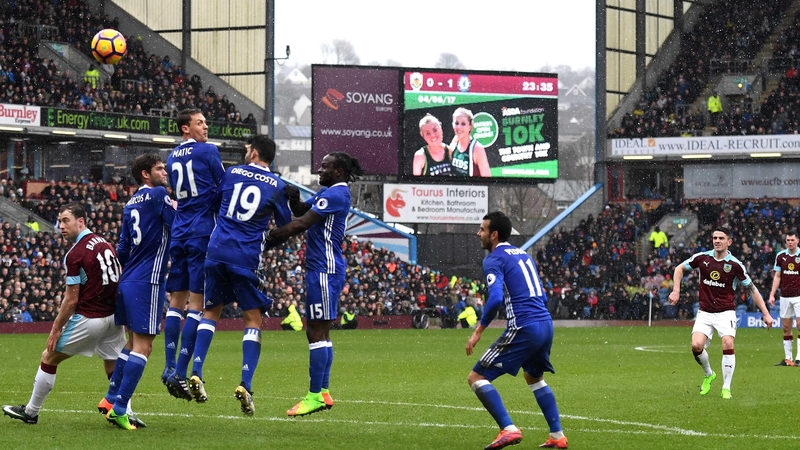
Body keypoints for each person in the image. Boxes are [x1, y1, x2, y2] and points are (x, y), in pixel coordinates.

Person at [186, 134, 291, 415]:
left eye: (247, 150)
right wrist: (265, 240)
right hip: (245, 256)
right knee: (252, 318)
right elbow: (285, 226)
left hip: (217, 250)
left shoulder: (232, 173)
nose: (245, 153)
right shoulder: (278, 185)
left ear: (254, 153)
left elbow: (216, 203)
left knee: (211, 312)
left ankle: (196, 370)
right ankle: (245, 382)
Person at [2, 203, 126, 425]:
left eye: (66, 220)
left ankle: (31, 412)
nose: (61, 226)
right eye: (59, 221)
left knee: (48, 357)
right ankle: (124, 411)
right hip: (114, 318)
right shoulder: (104, 243)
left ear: (81, 221)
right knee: (113, 364)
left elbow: (71, 300)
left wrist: (56, 328)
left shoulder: (75, 253)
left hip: (91, 318)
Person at [267, 151, 363, 416]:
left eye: (325, 167)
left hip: (324, 269)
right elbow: (302, 211)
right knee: (323, 332)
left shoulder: (335, 194)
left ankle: (313, 396)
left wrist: (269, 238)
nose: (319, 170)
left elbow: (301, 224)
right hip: (324, 269)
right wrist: (294, 198)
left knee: (315, 332)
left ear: (339, 172)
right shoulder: (329, 192)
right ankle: (323, 391)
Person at [466, 211, 567, 450]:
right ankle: (557, 435)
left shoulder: (493, 259)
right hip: (545, 323)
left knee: (477, 377)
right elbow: (540, 294)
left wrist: (479, 330)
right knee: (534, 377)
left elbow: (495, 299)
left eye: (482, 229)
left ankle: (508, 429)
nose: (478, 233)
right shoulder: (523, 254)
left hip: (524, 326)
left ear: (494, 234)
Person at [98, 154, 175, 430]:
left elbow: (122, 249)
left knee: (131, 345)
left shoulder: (130, 204)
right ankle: (120, 408)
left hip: (129, 280)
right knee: (144, 346)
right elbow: (177, 225)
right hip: (149, 281)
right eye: (159, 168)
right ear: (145, 174)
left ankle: (110, 398)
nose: (164, 172)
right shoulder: (157, 195)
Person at [163, 108, 225, 401]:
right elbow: (224, 188)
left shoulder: (172, 156)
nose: (206, 127)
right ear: (185, 128)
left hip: (180, 231)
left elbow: (177, 192)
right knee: (198, 305)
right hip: (202, 231)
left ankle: (167, 366)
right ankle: (180, 370)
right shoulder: (208, 151)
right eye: (200, 123)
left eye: (205, 122)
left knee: (176, 302)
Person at [669, 227, 773, 400]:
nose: (717, 240)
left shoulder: (735, 265)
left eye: (721, 238)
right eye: (715, 238)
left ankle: (726, 387)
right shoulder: (702, 258)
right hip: (705, 312)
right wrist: (676, 290)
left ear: (729, 242)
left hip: (725, 313)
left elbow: (751, 288)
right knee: (696, 346)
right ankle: (709, 374)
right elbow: (679, 268)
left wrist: (766, 313)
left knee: (727, 343)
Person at [768, 229, 800, 366]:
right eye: (788, 240)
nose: (790, 242)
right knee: (786, 328)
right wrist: (772, 293)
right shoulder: (781, 256)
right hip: (785, 296)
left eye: (792, 240)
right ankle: (788, 359)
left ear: (798, 241)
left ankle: (799, 358)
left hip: (799, 296)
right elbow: (778, 276)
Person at [449, 108, 491, 177]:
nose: (459, 127)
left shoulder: (477, 149)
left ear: (470, 127)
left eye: (463, 124)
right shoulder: (453, 146)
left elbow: (488, 180)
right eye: (456, 123)